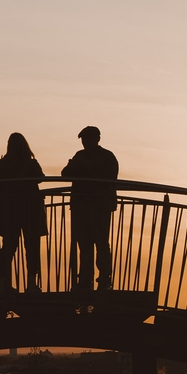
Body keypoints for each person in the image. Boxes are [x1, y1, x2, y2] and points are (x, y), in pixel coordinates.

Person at [62, 126, 118, 293]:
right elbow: (65, 173)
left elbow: (109, 178)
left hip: (99, 207)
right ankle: (86, 280)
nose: (85, 143)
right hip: (82, 207)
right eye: (84, 140)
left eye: (88, 139)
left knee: (100, 243)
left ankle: (103, 279)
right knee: (85, 245)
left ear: (97, 139)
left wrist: (83, 170)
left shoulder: (106, 157)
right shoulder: (81, 156)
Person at [0, 133, 47, 293]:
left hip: (11, 209)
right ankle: (31, 284)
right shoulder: (30, 163)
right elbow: (40, 178)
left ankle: (3, 283)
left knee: (9, 246)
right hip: (30, 208)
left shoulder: (3, 163)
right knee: (32, 246)